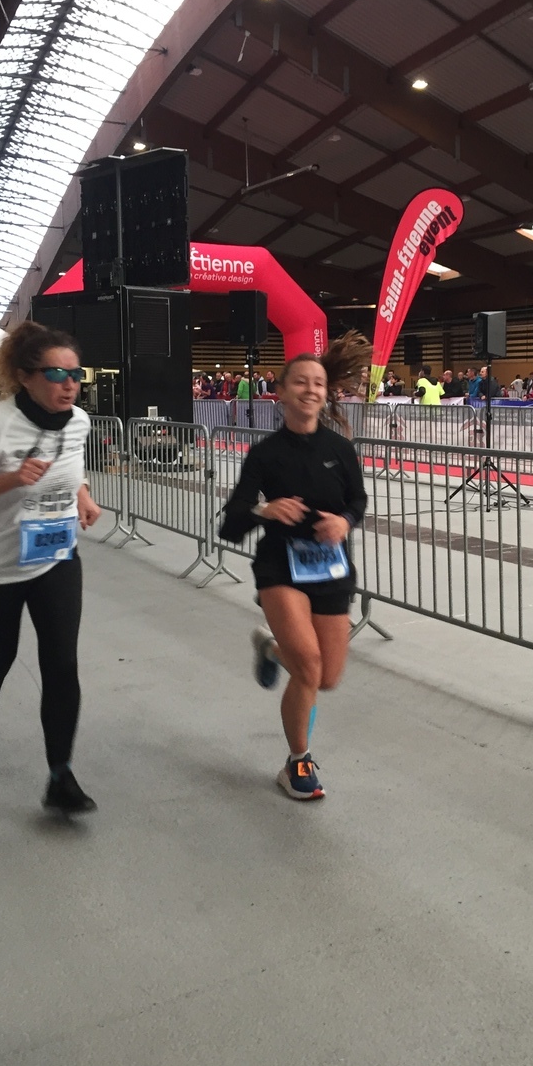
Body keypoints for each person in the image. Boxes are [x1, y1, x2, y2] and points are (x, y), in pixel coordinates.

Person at [0, 321, 102, 813]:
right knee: (0, 654)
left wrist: (82, 495)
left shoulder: (79, 422)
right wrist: (12, 479)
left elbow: (69, 468)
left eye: (76, 374)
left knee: (62, 664)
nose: (69, 384)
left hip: (56, 557)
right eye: (56, 373)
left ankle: (60, 776)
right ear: (25, 377)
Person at [219, 333, 370, 801]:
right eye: (300, 382)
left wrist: (344, 522)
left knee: (327, 677)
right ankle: (297, 762)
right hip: (280, 568)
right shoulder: (265, 453)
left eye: (318, 383)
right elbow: (231, 523)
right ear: (281, 392)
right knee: (308, 667)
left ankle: (270, 648)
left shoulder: (340, 449)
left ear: (326, 394)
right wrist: (264, 510)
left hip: (331, 570)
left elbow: (358, 500)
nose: (310, 389)